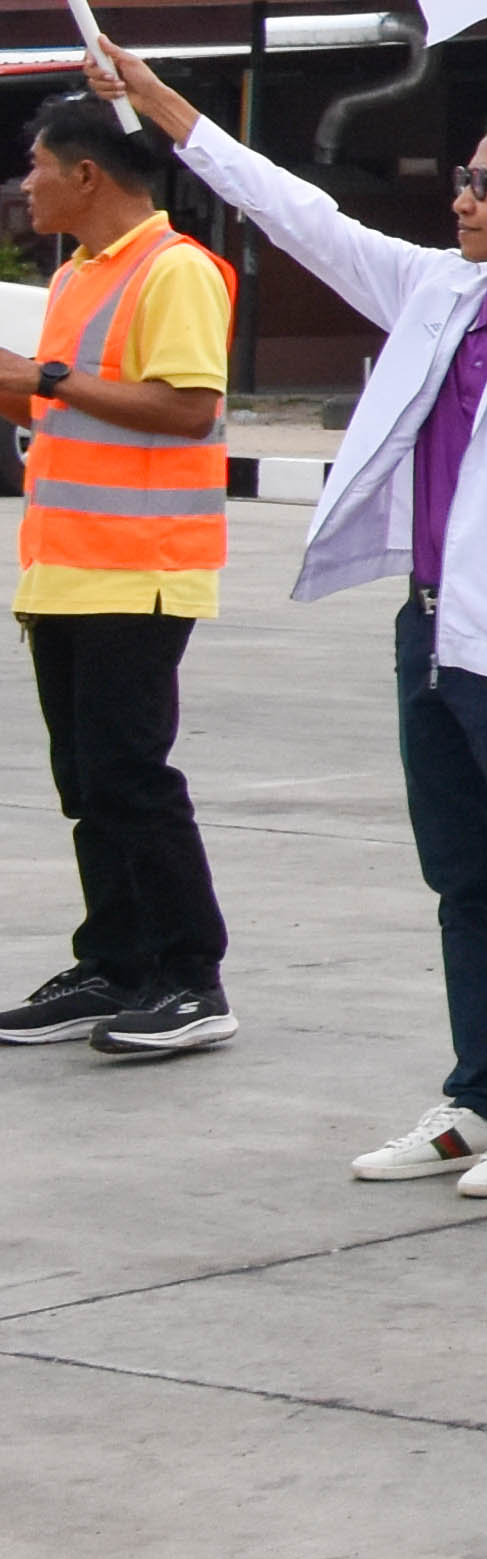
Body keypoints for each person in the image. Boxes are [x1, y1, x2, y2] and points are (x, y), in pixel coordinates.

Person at [100, 43, 487, 1196]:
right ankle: (480, 1093)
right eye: (461, 179)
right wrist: (161, 105)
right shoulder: (439, 295)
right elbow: (298, 214)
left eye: (485, 184)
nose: (461, 200)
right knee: (463, 878)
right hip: (432, 631)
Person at [3, 95, 241, 1060]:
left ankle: (192, 978)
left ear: (86, 174)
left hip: (139, 570)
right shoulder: (76, 274)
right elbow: (69, 408)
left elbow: (188, 409)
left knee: (131, 778)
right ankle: (115, 962)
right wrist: (28, 388)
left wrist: (42, 379)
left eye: (36, 164)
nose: (25, 183)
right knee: (87, 784)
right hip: (64, 569)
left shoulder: (173, 269)